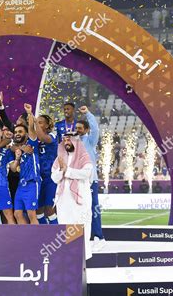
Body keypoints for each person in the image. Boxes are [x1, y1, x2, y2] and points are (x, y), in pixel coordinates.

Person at [51, 134, 93, 260]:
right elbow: (54, 177)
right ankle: (68, 258)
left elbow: (86, 173)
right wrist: (62, 171)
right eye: (64, 140)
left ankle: (81, 259)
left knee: (80, 227)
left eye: (69, 139)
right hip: (63, 200)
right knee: (65, 227)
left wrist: (67, 170)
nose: (66, 142)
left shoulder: (83, 156)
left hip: (79, 199)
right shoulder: (60, 157)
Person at [76, 106, 105, 247]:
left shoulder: (90, 141)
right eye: (76, 127)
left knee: (93, 208)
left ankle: (99, 237)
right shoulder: (74, 142)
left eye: (80, 128)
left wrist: (87, 113)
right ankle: (83, 236)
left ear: (86, 130)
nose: (77, 130)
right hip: (77, 181)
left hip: (90, 181)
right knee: (79, 209)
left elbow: (95, 129)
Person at [9, 104, 40, 224]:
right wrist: (18, 154)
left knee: (31, 213)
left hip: (33, 182)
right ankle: (26, 239)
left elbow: (32, 129)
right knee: (17, 213)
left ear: (26, 134)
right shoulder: (17, 149)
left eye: (20, 131)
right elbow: (13, 168)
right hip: (21, 184)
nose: (17, 133)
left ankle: (35, 240)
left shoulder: (32, 144)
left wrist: (29, 113)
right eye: (16, 131)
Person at [34, 114, 58, 224]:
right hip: (38, 179)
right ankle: (45, 234)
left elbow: (43, 138)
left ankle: (57, 234)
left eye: (40, 122)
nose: (37, 125)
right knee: (38, 211)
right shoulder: (34, 138)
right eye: (36, 122)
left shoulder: (52, 135)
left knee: (50, 209)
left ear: (47, 125)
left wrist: (34, 122)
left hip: (50, 177)